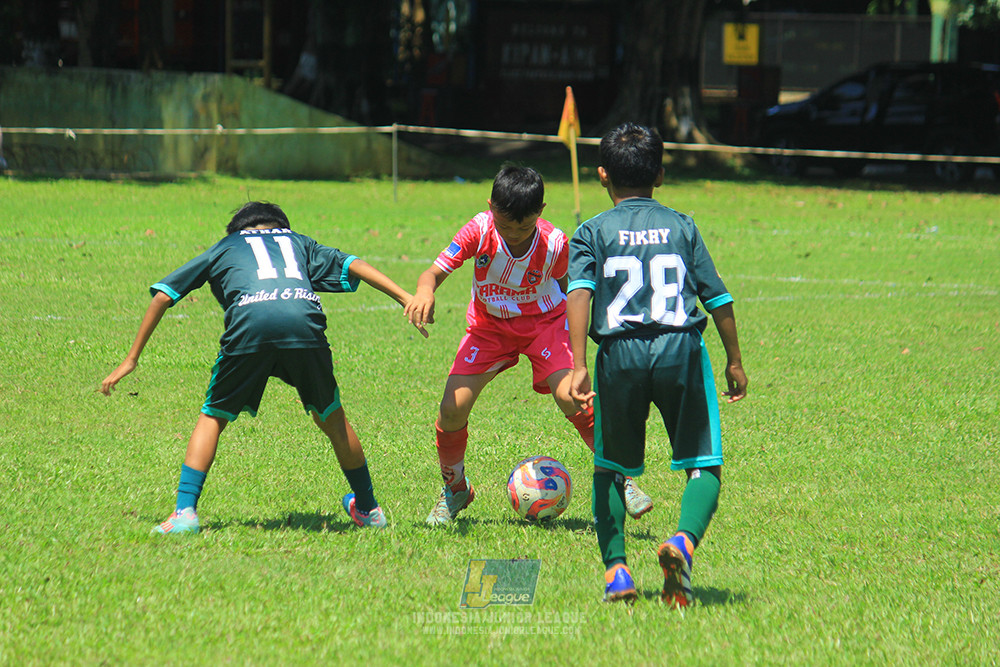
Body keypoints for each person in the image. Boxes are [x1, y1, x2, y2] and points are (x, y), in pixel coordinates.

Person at [100, 201, 426, 533]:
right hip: (304, 326)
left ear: (239, 230)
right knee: (332, 416)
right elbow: (353, 263)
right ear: (279, 226)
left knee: (213, 415)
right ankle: (369, 510)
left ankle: (185, 513)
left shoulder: (226, 245)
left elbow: (163, 296)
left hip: (249, 327)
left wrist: (131, 360)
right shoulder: (297, 240)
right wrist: (404, 297)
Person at [404, 164, 652, 526]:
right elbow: (434, 272)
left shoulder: (554, 243)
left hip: (545, 325)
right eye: (506, 225)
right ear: (491, 207)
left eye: (524, 226)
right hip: (489, 328)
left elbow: (577, 290)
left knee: (572, 396)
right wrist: (425, 290)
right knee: (451, 409)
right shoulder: (479, 228)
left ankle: (621, 479)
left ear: (541, 212)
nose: (515, 234)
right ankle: (455, 489)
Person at [566, 123, 748, 606]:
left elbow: (579, 293)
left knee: (609, 468)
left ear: (602, 175)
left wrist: (578, 362)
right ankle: (683, 542)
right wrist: (734, 359)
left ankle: (618, 574)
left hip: (618, 355)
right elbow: (719, 298)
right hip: (680, 348)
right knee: (703, 463)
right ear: (661, 175)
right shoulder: (683, 226)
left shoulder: (590, 231)